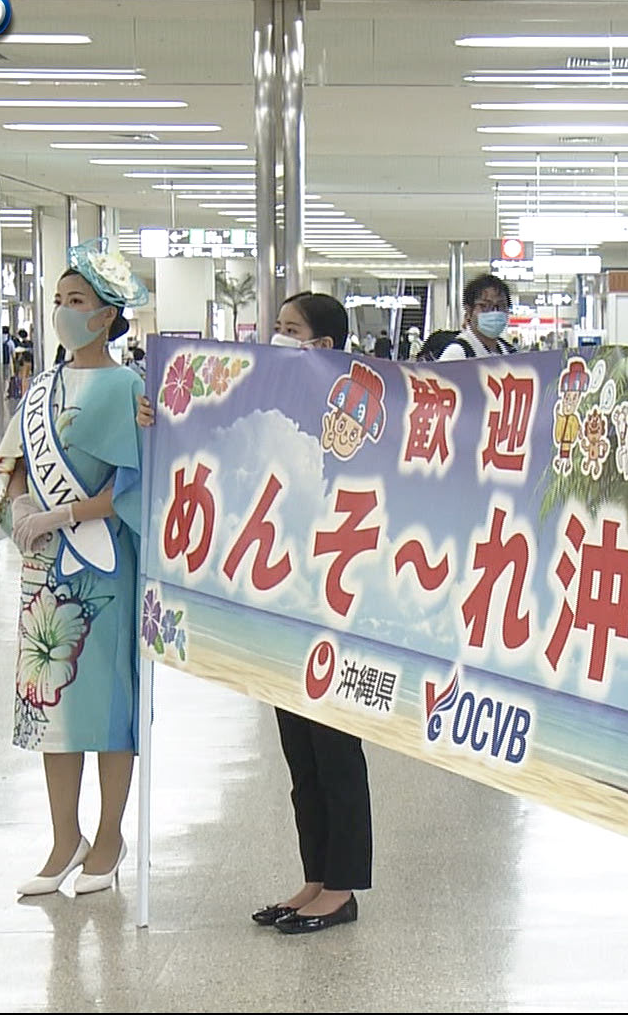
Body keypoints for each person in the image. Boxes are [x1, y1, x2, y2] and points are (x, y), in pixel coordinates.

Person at [0, 243, 148, 898]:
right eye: (59, 301)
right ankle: (65, 837)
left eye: (77, 302)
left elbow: (134, 486)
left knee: (108, 705)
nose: (64, 312)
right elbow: (12, 473)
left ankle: (109, 836)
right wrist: (22, 512)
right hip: (44, 572)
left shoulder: (128, 387)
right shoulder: (39, 389)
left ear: (109, 314)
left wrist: (59, 518)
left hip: (104, 569)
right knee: (50, 707)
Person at [256, 291, 373, 935]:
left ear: (323, 346)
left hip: (339, 603)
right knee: (299, 749)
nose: (279, 339)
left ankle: (345, 885)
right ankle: (316, 876)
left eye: (290, 330)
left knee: (335, 746)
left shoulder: (359, 410)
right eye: (276, 328)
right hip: (284, 598)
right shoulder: (273, 403)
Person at [426, 274, 518, 361]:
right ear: (469, 311)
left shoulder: (508, 352)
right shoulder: (457, 353)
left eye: (501, 306)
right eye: (485, 306)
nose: (494, 312)